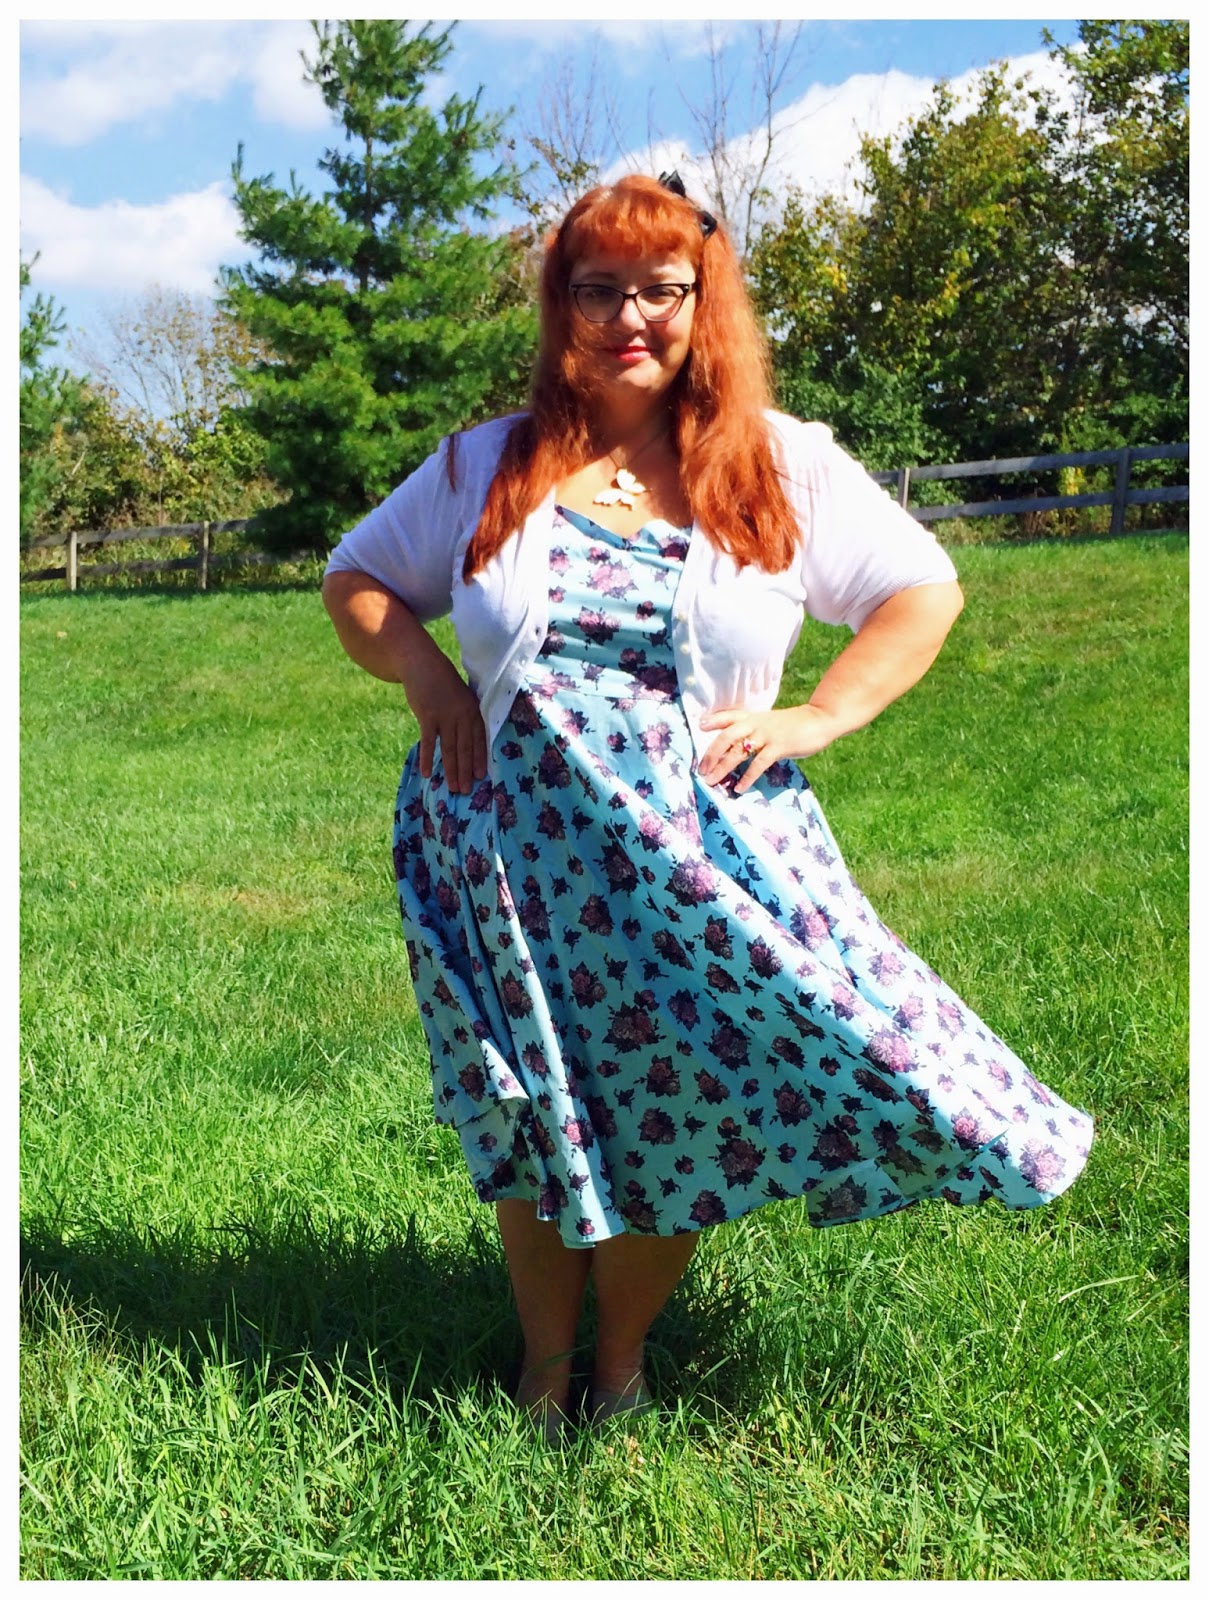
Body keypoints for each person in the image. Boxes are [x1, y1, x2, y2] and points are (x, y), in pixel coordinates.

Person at [321, 173, 1093, 1441]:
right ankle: (543, 1364)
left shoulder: (779, 462)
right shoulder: (484, 464)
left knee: (678, 1101)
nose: (630, 317)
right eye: (598, 289)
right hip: (507, 850)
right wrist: (427, 677)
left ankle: (621, 1359)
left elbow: (921, 588)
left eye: (660, 290)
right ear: (561, 304)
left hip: (701, 852)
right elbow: (358, 576)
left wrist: (819, 715)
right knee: (529, 1104)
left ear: (702, 298)